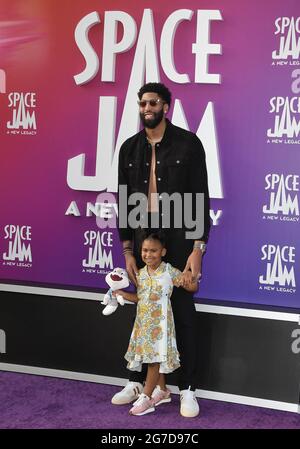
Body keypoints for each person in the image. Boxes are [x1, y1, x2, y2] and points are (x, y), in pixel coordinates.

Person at [114, 82, 210, 417]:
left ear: (166, 106)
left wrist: (198, 248)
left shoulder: (188, 143)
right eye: (142, 103)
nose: (146, 108)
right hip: (145, 238)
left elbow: (200, 197)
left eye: (153, 102)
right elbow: (125, 202)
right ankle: (141, 381)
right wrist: (128, 248)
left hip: (181, 235)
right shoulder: (129, 149)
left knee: (182, 313)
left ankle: (187, 389)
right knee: (146, 312)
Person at [113, 231, 198, 416]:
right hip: (143, 326)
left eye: (153, 251)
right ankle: (163, 390)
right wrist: (122, 294)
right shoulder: (141, 274)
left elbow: (192, 287)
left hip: (160, 328)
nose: (148, 255)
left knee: (153, 361)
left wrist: (187, 278)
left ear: (163, 252)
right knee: (151, 359)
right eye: (144, 250)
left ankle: (146, 397)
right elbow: (140, 298)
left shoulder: (169, 271)